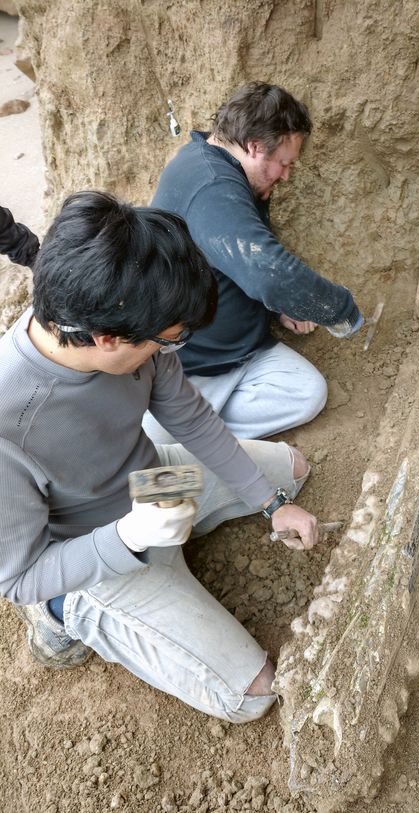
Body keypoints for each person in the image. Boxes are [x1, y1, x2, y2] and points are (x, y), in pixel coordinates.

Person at [0, 190, 320, 723]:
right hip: (89, 552)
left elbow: (192, 419)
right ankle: (60, 618)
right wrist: (131, 537)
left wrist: (271, 503)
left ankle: (173, 550)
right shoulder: (8, 419)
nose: (173, 351)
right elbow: (17, 578)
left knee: (292, 471)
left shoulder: (130, 314)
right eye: (167, 341)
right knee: (253, 694)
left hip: (152, 485)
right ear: (106, 339)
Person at [144, 81, 363, 443]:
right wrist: (340, 310)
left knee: (307, 392)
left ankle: (201, 433)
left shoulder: (227, 172)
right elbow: (268, 273)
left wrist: (279, 309)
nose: (287, 175)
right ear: (255, 146)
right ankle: (194, 435)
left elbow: (238, 263)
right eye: (284, 163)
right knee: (155, 455)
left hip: (245, 357)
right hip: (193, 367)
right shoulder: (211, 184)